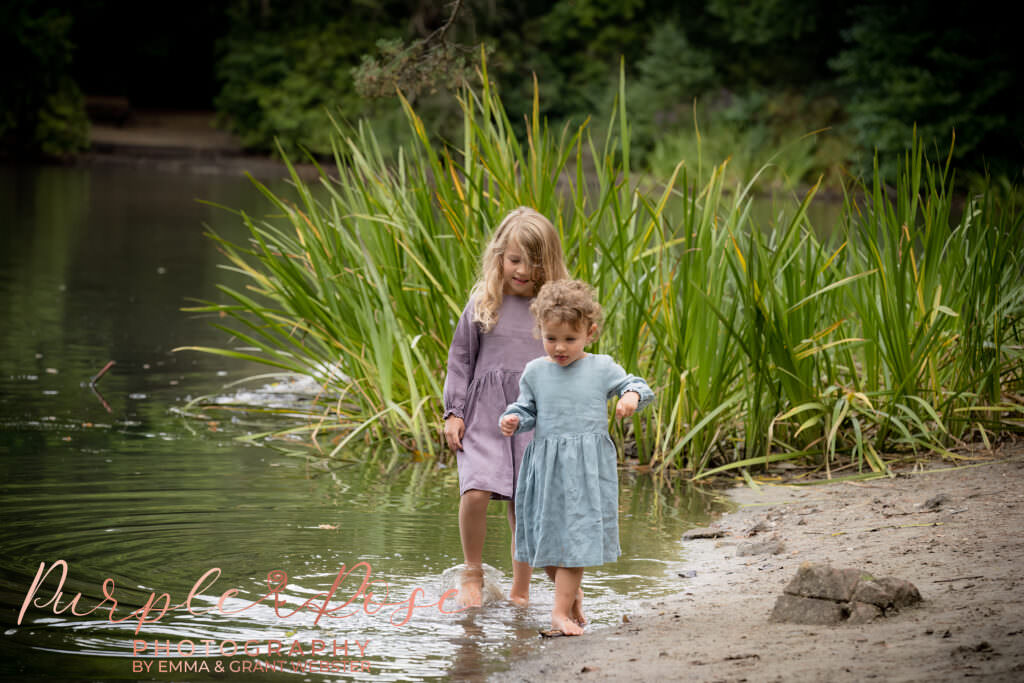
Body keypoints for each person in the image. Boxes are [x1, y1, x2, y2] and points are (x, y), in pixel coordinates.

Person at [499, 279, 654, 636]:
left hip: (586, 470)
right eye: (551, 338)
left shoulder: (601, 368)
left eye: (570, 339)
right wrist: (513, 419)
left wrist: (629, 398)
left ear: (590, 332)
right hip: (546, 468)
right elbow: (526, 408)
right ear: (540, 331)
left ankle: (558, 614)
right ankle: (571, 595)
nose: (559, 347)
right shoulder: (536, 371)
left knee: (576, 540)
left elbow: (637, 385)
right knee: (546, 540)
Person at [443, 206, 570, 608]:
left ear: (548, 264)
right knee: (476, 491)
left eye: (534, 263)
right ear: (500, 256)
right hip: (483, 415)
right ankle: (472, 573)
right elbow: (460, 359)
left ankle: (520, 590)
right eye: (514, 260)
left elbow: (570, 360)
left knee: (524, 502)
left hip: (534, 416)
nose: (522, 270)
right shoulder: (484, 301)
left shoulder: (551, 310)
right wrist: (454, 412)